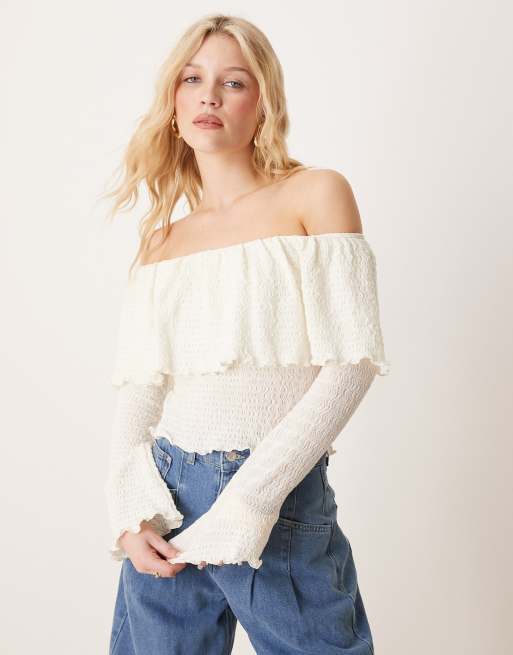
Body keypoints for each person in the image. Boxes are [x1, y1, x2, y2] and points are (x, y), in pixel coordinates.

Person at [103, 13, 390, 655]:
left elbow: (351, 365)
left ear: (263, 104)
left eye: (233, 82)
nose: (209, 96)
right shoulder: (162, 242)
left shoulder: (315, 194)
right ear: (173, 104)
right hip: (167, 498)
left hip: (276, 496)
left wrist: (252, 499)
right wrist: (129, 513)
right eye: (192, 79)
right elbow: (140, 391)